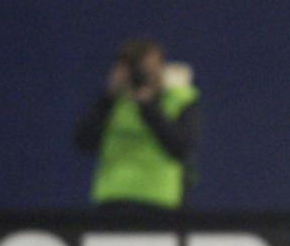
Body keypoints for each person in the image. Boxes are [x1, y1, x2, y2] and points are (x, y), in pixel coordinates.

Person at [73, 38, 200, 211]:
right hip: (113, 198)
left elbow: (180, 147)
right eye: (135, 70)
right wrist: (107, 98)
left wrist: (147, 106)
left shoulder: (179, 100)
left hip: (160, 201)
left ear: (161, 69)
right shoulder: (111, 102)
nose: (142, 76)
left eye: (148, 70)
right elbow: (83, 141)